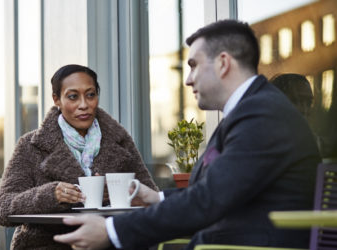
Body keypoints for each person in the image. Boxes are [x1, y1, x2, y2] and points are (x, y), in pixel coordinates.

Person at [54, 20, 321, 249]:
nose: (188, 79)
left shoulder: (262, 115)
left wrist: (111, 231)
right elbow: (216, 191)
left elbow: (208, 201)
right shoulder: (252, 109)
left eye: (194, 65)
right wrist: (156, 197)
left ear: (223, 63)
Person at [0, 64, 158, 249]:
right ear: (57, 99)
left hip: (108, 243)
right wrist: (51, 195)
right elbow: (2, 208)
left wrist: (118, 194)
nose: (84, 105)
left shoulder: (120, 141)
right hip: (47, 244)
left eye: (90, 95)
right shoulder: (31, 145)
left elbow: (151, 198)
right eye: (73, 97)